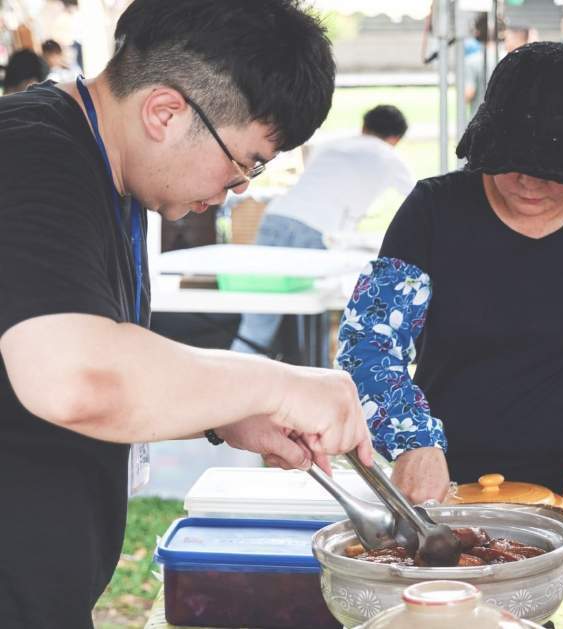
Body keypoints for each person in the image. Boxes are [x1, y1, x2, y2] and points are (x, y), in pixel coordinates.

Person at [0, 1, 374, 627]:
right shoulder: (32, 156)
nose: (242, 188)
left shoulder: (110, 172)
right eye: (244, 163)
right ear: (166, 112)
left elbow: (83, 366)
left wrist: (231, 412)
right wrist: (281, 385)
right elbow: (77, 379)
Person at [337, 42, 563, 628]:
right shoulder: (434, 210)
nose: (529, 181)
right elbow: (370, 343)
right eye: (511, 160)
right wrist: (412, 439)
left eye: (555, 169)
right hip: (440, 502)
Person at [231, 104, 414, 356]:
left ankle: (238, 373)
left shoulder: (331, 146)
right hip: (315, 229)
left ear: (364, 127)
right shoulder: (390, 156)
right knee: (312, 316)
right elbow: (417, 199)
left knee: (258, 321)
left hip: (276, 217)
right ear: (395, 139)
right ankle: (310, 379)